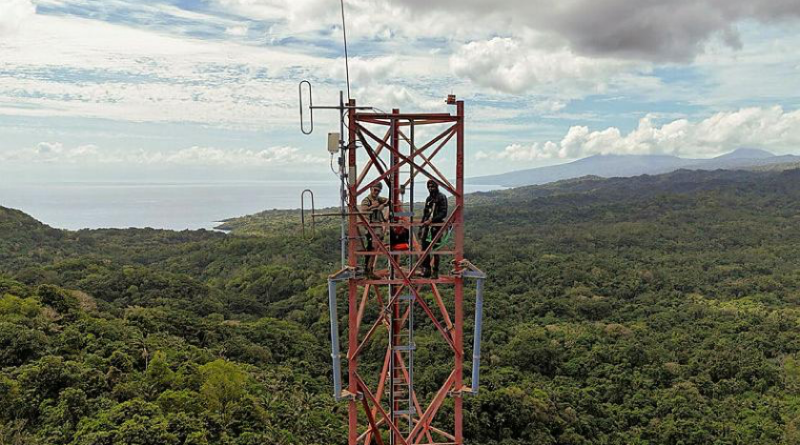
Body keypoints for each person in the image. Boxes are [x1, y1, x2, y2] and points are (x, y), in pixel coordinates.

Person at [420, 179, 447, 278]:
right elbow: (425, 213)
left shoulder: (442, 197)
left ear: (436, 187)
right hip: (428, 226)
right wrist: (421, 226)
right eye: (429, 187)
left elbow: (443, 213)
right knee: (424, 248)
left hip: (436, 226)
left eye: (432, 187)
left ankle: (435, 271)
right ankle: (427, 269)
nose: (431, 189)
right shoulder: (428, 199)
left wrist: (432, 220)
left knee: (435, 249)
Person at [360, 182, 388, 278]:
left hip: (377, 228)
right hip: (370, 228)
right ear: (370, 189)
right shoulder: (366, 200)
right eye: (375, 190)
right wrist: (375, 206)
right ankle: (367, 269)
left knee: (374, 249)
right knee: (371, 249)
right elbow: (363, 210)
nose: (376, 192)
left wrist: (382, 205)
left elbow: (387, 201)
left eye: (378, 191)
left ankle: (369, 270)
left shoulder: (377, 199)